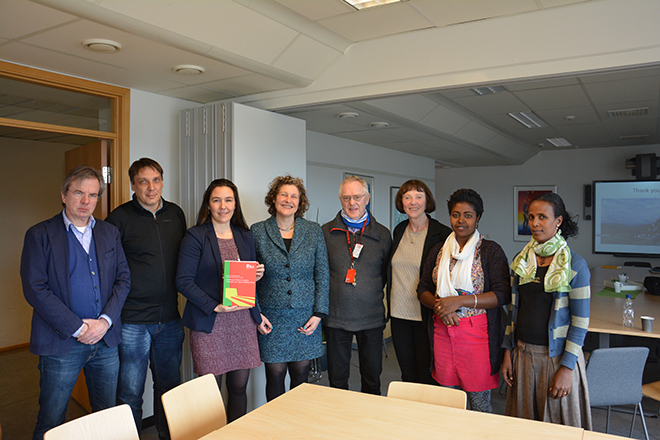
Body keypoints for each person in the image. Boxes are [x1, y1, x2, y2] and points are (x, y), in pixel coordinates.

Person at [20, 165, 130, 440]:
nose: (86, 201)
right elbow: (35, 289)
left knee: (106, 416)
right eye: (79, 193)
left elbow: (123, 279)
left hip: (105, 342)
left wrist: (105, 322)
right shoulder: (40, 234)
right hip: (61, 345)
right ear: (64, 195)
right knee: (52, 419)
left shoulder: (109, 233)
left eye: (93, 195)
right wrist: (78, 328)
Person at [176, 179, 270, 423]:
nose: (223, 206)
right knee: (211, 392)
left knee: (239, 388)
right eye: (216, 200)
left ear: (235, 204)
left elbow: (247, 283)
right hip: (211, 323)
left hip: (242, 322)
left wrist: (257, 312)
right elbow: (183, 281)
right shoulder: (195, 236)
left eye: (228, 200)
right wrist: (214, 305)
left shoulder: (244, 235)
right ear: (208, 204)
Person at [105, 158, 186, 439]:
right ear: (132, 185)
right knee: (129, 392)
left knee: (170, 389)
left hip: (170, 319)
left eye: (156, 180)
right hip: (132, 320)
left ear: (162, 181)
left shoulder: (175, 214)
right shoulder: (118, 218)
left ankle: (167, 436)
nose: (151, 188)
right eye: (143, 181)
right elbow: (107, 270)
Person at [502, 193, 592, 428]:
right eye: (531, 217)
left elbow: (580, 322)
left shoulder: (574, 265)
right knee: (524, 425)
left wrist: (566, 368)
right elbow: (514, 312)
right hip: (522, 354)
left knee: (557, 427)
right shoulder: (521, 261)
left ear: (558, 221)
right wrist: (507, 352)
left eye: (542, 217)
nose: (534, 223)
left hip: (557, 358)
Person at [417, 188, 510, 412]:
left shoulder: (490, 251)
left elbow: (502, 294)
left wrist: (460, 302)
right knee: (446, 402)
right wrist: (440, 306)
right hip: (442, 332)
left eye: (468, 215)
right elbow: (422, 289)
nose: (461, 220)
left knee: (478, 403)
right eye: (456, 214)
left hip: (477, 336)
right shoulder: (438, 250)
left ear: (478, 218)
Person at [252, 175, 329, 401]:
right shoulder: (257, 231)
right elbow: (249, 278)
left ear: (300, 201)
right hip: (271, 317)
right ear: (274, 199)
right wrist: (256, 314)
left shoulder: (313, 231)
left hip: (305, 317)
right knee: (274, 376)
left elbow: (322, 273)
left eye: (293, 196)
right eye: (283, 194)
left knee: (301, 376)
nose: (288, 200)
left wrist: (319, 313)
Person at [322, 175, 391, 395]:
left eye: (358, 197)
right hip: (336, 318)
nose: (352, 202)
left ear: (367, 198)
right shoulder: (325, 233)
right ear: (340, 200)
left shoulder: (383, 234)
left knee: (372, 381)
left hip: (371, 318)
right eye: (347, 197)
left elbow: (385, 274)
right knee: (337, 382)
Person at [387, 180, 451, 384]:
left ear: (427, 201)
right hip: (399, 314)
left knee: (427, 372)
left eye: (418, 196)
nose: (413, 202)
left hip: (426, 315)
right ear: (401, 202)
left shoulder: (442, 234)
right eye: (407, 197)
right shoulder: (399, 231)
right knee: (406, 371)